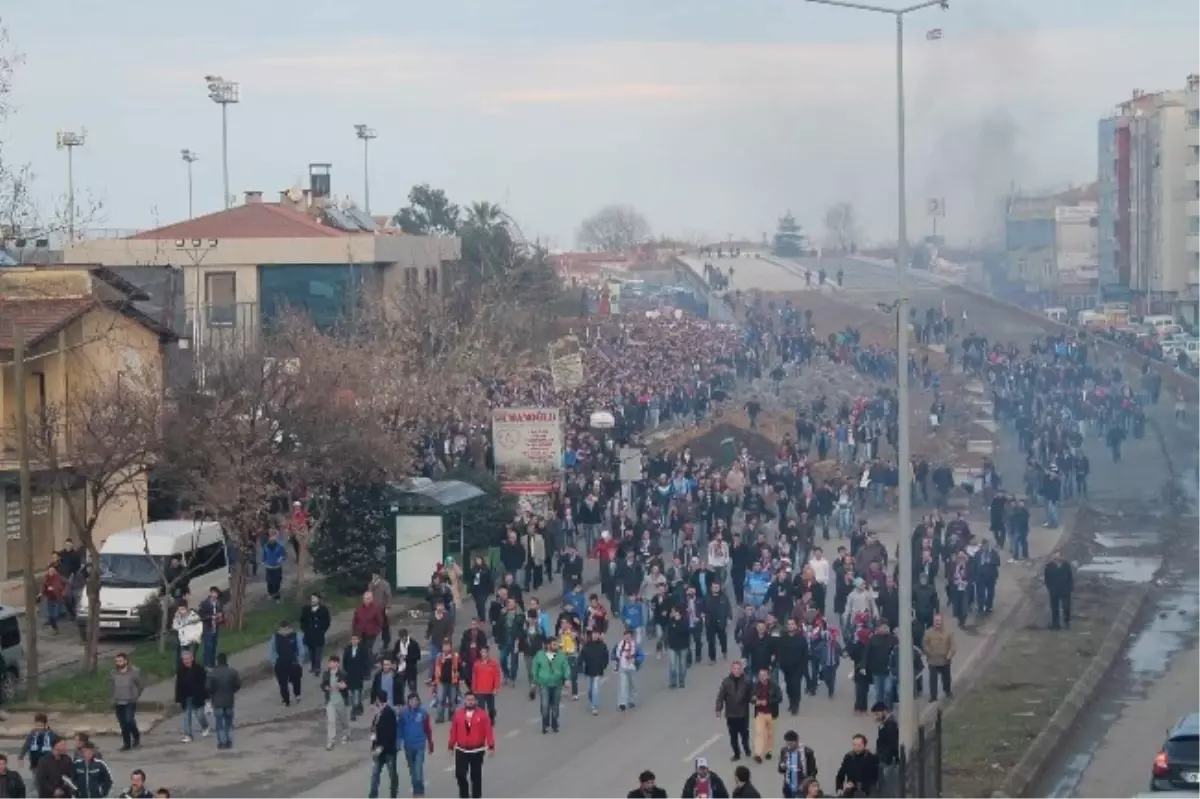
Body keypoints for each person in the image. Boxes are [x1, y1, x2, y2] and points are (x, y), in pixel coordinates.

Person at [448, 692, 495, 799]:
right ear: (464, 701)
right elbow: (453, 731)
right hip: (461, 750)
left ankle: (476, 796)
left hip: (477, 750)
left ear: (476, 701)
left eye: (472, 700)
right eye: (468, 700)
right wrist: (451, 745)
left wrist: (491, 746)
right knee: (460, 774)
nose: (470, 702)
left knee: (476, 776)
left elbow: (488, 731)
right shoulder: (458, 714)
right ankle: (464, 795)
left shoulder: (482, 714)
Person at [715, 661, 754, 761]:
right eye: (734, 668)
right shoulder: (726, 682)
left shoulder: (747, 681)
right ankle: (736, 753)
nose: (736, 671)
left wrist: (754, 699)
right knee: (733, 736)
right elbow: (720, 696)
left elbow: (752, 694)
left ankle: (746, 748)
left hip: (743, 713)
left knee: (744, 734)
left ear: (741, 670)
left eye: (738, 669)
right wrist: (718, 709)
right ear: (731, 670)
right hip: (731, 714)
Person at [531, 636, 571, 733]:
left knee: (555, 705)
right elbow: (535, 668)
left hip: (557, 684)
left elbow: (566, 667)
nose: (556, 646)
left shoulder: (561, 655)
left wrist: (566, 678)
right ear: (548, 645)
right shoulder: (539, 655)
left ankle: (554, 723)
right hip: (544, 684)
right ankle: (545, 724)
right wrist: (534, 682)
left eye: (556, 644)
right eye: (554, 644)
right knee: (545, 705)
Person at [205, 653, 241, 750]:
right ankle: (229, 741)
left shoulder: (212, 674)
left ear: (217, 661)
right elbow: (238, 685)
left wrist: (213, 694)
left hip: (217, 702)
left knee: (219, 723)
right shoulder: (233, 672)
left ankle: (221, 742)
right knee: (229, 723)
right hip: (229, 701)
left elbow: (208, 688)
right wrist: (232, 690)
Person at [173, 649, 210, 742]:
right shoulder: (181, 672)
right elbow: (178, 686)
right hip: (186, 698)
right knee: (186, 717)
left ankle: (205, 726)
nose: (186, 661)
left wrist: (207, 697)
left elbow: (205, 685)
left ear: (192, 658)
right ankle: (188, 735)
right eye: (184, 659)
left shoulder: (199, 669)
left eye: (188, 659)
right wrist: (178, 700)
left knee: (200, 715)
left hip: (198, 696)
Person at [109, 653, 143, 751]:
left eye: (120, 661)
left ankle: (136, 736)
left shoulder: (133, 672)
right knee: (122, 723)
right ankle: (126, 743)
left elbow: (139, 685)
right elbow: (111, 686)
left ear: (125, 661)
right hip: (118, 701)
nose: (118, 663)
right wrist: (112, 697)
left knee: (129, 720)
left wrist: (135, 696)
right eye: (116, 661)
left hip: (130, 701)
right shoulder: (113, 673)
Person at [267, 619, 306, 706]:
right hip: (286, 662)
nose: (284, 631)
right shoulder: (277, 637)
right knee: (286, 682)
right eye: (283, 629)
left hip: (289, 662)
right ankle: (290, 698)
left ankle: (293, 697)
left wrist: (300, 661)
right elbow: (271, 651)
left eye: (285, 629)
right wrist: (274, 662)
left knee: (291, 681)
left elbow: (301, 649)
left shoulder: (294, 636)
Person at [750, 667, 782, 764]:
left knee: (770, 734)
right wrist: (756, 700)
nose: (762, 677)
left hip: (771, 713)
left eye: (764, 675)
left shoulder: (774, 686)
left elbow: (779, 698)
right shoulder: (755, 686)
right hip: (760, 713)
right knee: (759, 733)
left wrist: (767, 702)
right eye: (760, 675)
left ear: (768, 676)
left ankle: (769, 750)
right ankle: (758, 754)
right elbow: (751, 698)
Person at [320, 654, 352, 750]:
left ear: (337, 664)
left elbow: (347, 685)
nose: (331, 664)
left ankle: (346, 734)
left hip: (341, 700)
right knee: (331, 721)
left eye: (333, 662)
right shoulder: (326, 674)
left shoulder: (343, 674)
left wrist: (343, 686)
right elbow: (323, 685)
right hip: (330, 701)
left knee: (344, 720)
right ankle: (331, 741)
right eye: (330, 662)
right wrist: (326, 688)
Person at [921, 614, 955, 701]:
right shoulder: (928, 632)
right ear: (933, 622)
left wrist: (949, 655)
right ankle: (933, 696)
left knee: (946, 678)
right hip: (933, 660)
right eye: (936, 621)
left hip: (945, 659)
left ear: (942, 621)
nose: (937, 622)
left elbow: (953, 646)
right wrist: (929, 653)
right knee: (933, 679)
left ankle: (947, 691)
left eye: (939, 620)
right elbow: (925, 644)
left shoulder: (949, 632)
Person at [611, 627, 645, 711]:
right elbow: (613, 654)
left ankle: (632, 700)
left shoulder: (635, 646)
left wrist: (635, 660)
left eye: (629, 636)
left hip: (632, 668)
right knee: (623, 686)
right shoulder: (619, 645)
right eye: (626, 635)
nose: (627, 637)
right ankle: (622, 703)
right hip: (623, 668)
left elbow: (641, 655)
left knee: (633, 685)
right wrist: (615, 660)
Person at [778, 730, 819, 798]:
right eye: (788, 744)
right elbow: (780, 770)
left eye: (791, 744)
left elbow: (813, 772)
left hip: (801, 789)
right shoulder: (784, 751)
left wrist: (804, 784)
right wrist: (782, 767)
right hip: (788, 788)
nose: (789, 746)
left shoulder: (807, 752)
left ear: (797, 741)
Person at [300, 593, 332, 676]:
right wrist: (305, 630)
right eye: (312, 598)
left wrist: (322, 630)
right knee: (311, 652)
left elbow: (327, 622)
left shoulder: (323, 610)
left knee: (318, 652)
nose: (313, 600)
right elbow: (302, 621)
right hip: (309, 634)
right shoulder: (306, 609)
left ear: (318, 600)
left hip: (319, 635)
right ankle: (313, 666)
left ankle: (317, 668)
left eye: (314, 598)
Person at [580, 628, 609, 715]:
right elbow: (582, 657)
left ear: (599, 635)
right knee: (590, 690)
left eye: (597, 634)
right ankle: (592, 701)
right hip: (589, 670)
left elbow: (606, 657)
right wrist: (579, 666)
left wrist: (603, 666)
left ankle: (595, 706)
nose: (595, 636)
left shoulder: (602, 646)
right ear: (591, 635)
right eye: (593, 634)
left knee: (595, 689)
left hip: (598, 671)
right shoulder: (587, 645)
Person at [470, 646, 502, 724]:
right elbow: (474, 676)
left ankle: (492, 719)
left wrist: (496, 688)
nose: (483, 654)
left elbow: (497, 676)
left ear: (488, 653)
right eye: (482, 652)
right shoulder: (476, 664)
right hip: (479, 690)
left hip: (490, 690)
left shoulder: (493, 664)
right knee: (481, 708)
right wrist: (473, 688)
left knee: (491, 707)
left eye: (485, 652)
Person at [1043, 550, 1074, 630]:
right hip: (1054, 591)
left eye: (1059, 556)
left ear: (1062, 557)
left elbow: (1070, 577)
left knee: (1066, 607)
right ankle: (1055, 624)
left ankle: (1067, 621)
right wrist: (1049, 588)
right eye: (1056, 556)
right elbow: (1047, 578)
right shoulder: (1049, 566)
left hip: (1065, 590)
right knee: (1054, 608)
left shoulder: (1066, 565)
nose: (1058, 558)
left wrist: (1070, 587)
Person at [342, 633, 370, 719]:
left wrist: (365, 674)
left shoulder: (362, 650)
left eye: (355, 639)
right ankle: (359, 707)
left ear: (358, 640)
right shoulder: (347, 649)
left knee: (357, 693)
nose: (353, 641)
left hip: (358, 676)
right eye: (352, 639)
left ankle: (353, 712)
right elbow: (344, 661)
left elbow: (366, 662)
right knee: (352, 693)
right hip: (350, 675)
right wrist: (345, 671)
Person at [196, 586, 225, 669]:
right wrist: (211, 617)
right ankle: (206, 664)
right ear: (210, 593)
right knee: (208, 647)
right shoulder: (205, 603)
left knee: (214, 647)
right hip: (207, 627)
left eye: (216, 594)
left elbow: (221, 612)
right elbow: (201, 616)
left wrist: (221, 617)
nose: (215, 595)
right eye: (213, 593)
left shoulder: (218, 603)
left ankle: (212, 664)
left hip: (216, 627)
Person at [873, 702, 899, 786]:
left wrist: (879, 757)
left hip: (887, 761)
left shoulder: (890, 726)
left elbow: (891, 746)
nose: (876, 717)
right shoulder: (886, 724)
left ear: (884, 711)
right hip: (884, 758)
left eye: (877, 714)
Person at [353, 592, 386, 658]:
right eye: (364, 598)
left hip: (371, 633)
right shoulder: (359, 609)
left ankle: (369, 663)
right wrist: (354, 632)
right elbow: (355, 621)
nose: (366, 600)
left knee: (368, 648)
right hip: (361, 632)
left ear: (371, 599)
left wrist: (376, 631)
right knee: (361, 648)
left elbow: (380, 622)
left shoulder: (375, 609)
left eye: (368, 599)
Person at [391, 628, 422, 697]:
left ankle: (414, 701)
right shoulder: (398, 643)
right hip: (400, 669)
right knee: (400, 688)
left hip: (411, 669)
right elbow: (393, 654)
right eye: (401, 638)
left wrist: (406, 657)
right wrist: (396, 657)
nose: (402, 640)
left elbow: (418, 656)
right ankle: (401, 703)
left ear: (406, 636)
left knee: (412, 688)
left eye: (403, 638)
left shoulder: (413, 644)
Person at [261, 530, 287, 601]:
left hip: (277, 567)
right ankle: (270, 594)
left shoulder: (280, 546)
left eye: (274, 536)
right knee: (269, 582)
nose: (272, 538)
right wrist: (264, 561)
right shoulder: (265, 546)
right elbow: (264, 556)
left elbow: (284, 555)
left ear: (276, 537)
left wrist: (281, 559)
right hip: (269, 567)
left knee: (277, 582)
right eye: (271, 536)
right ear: (269, 537)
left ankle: (276, 596)